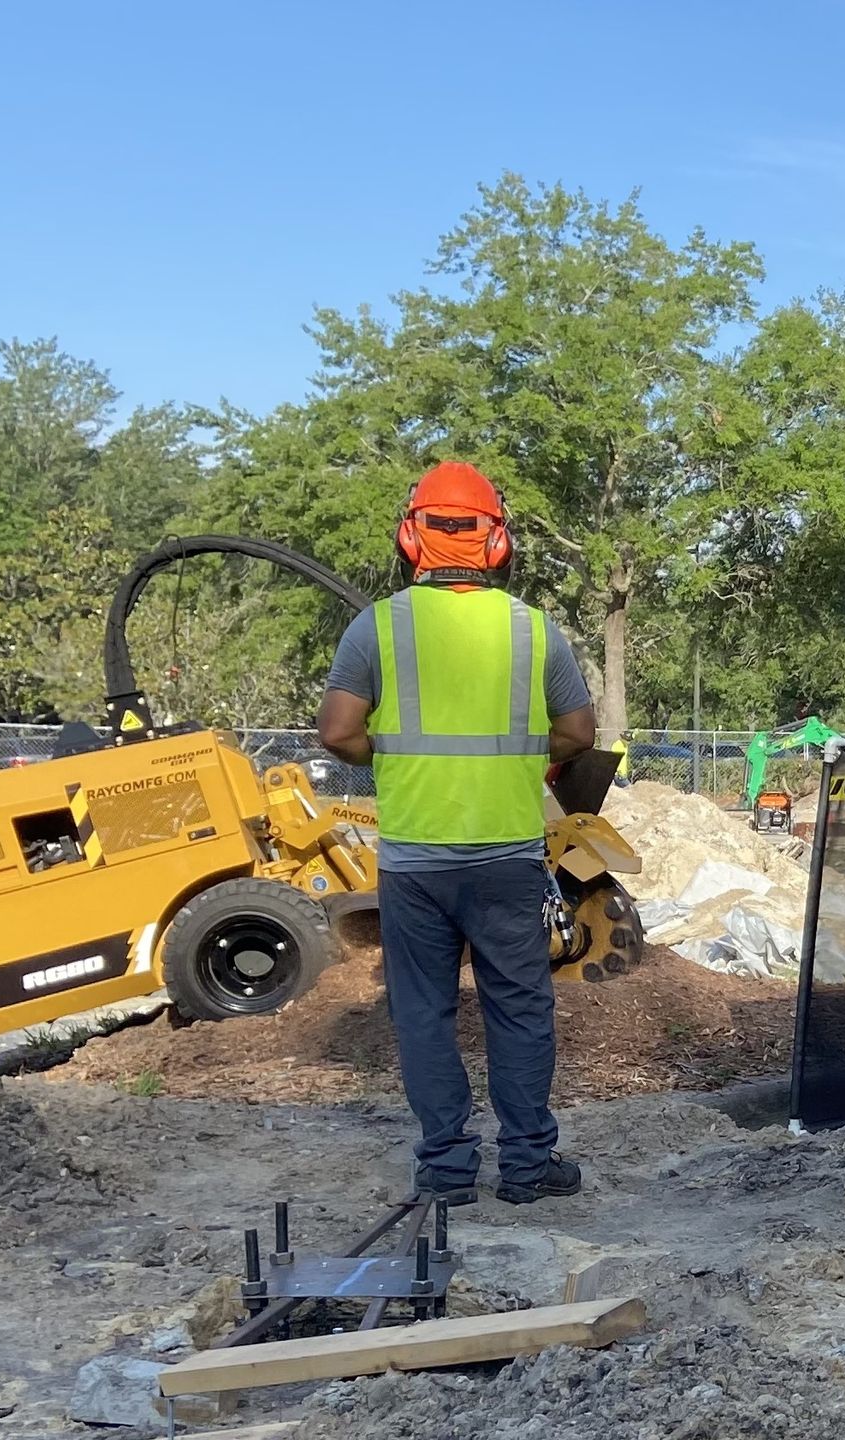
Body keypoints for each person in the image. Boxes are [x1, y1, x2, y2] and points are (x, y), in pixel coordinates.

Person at [317, 461, 597, 1207]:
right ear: (496, 543)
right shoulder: (533, 630)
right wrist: (525, 760)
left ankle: (446, 1170)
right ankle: (529, 1165)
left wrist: (400, 759)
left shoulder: (375, 626)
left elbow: (339, 732)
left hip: (414, 861)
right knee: (520, 1009)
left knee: (424, 1015)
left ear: (412, 538)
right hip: (506, 857)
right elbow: (578, 731)